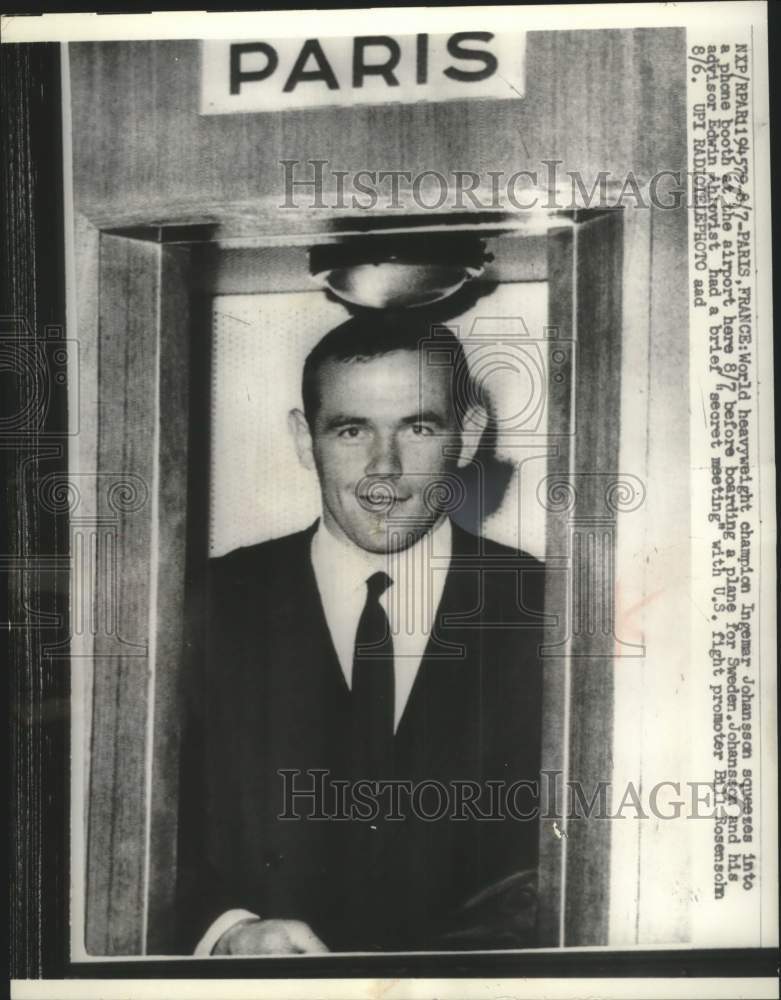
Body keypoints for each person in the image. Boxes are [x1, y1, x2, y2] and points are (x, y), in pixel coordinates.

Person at [176, 313, 546, 955]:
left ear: (470, 434)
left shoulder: (550, 605)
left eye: (419, 427)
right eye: (351, 430)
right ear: (303, 438)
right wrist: (227, 930)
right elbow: (125, 816)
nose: (385, 469)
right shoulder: (203, 603)